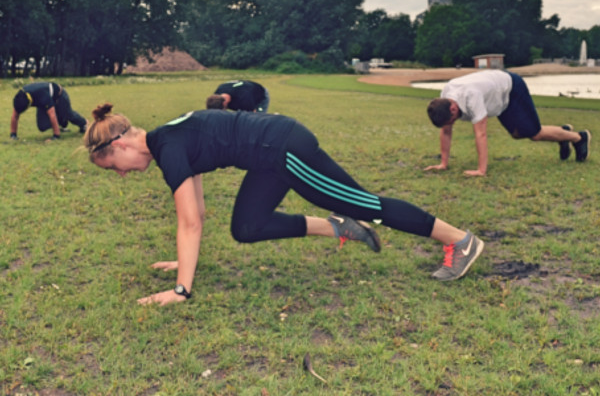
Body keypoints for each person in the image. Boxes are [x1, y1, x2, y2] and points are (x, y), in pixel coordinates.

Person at [83, 104, 484, 305]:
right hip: (267, 156)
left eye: (113, 166)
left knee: (366, 204)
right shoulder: (166, 138)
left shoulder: (167, 148)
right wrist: (183, 261)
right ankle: (339, 226)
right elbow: (198, 214)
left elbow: (189, 224)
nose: (121, 174)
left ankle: (460, 240)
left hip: (283, 151)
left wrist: (181, 289)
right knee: (247, 227)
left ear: (118, 145)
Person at [426, 70, 591, 177]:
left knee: (534, 133)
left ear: (453, 109)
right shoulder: (446, 95)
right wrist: (443, 164)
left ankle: (578, 137)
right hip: (497, 98)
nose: (451, 125)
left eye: (451, 121)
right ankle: (561, 134)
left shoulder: (471, 96)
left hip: (511, 88)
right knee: (517, 134)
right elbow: (446, 132)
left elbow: (480, 133)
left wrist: (481, 170)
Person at [11, 82, 87, 140]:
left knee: (68, 114)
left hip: (59, 96)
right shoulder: (19, 98)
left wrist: (55, 136)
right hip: (43, 99)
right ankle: (61, 121)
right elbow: (15, 116)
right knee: (42, 126)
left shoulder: (42, 96)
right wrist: (13, 135)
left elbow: (52, 115)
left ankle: (84, 124)